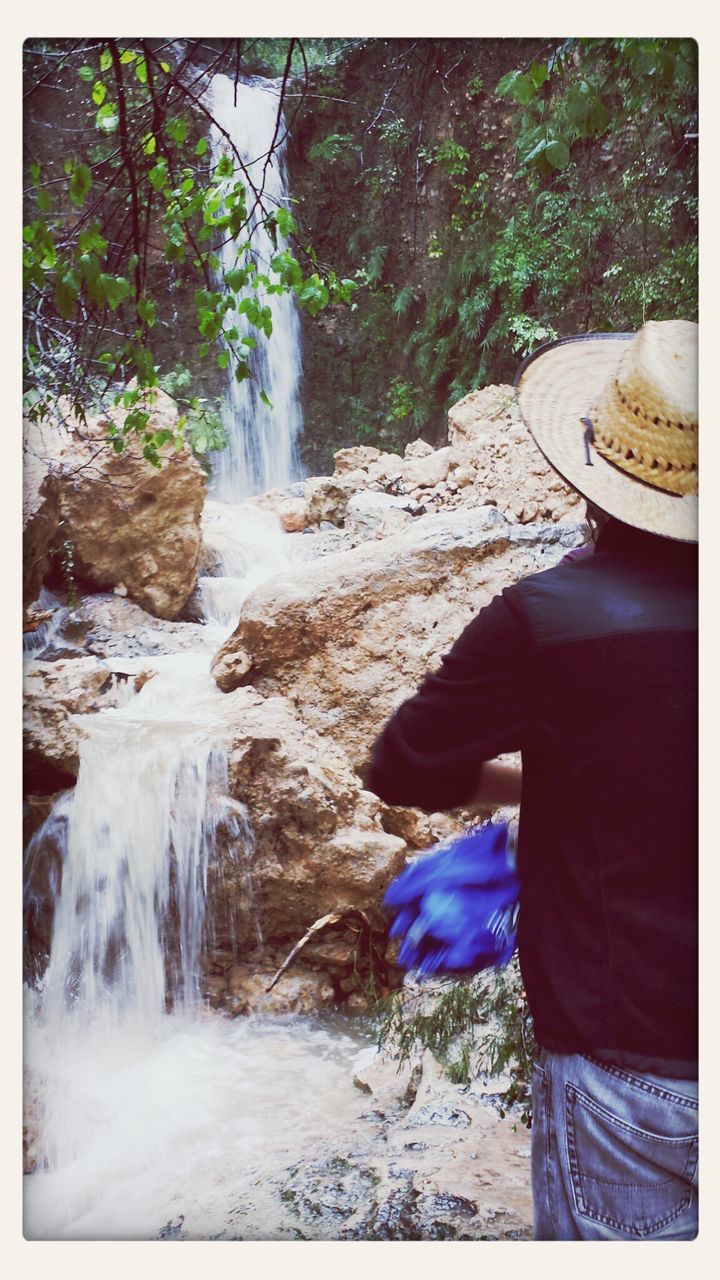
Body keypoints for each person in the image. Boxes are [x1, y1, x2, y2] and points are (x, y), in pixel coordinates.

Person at [365, 320, 698, 1241]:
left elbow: (404, 765)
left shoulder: (546, 622)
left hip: (629, 1060)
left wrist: (530, 788)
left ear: (596, 468)